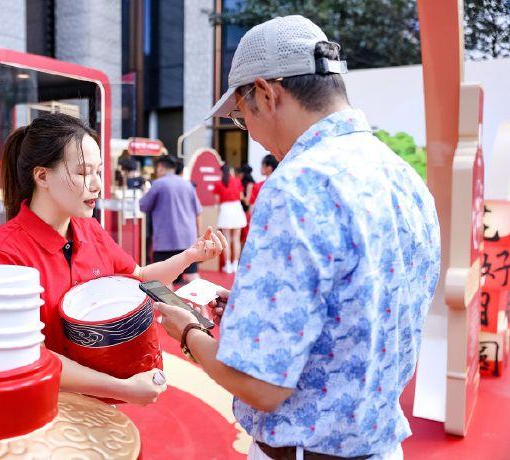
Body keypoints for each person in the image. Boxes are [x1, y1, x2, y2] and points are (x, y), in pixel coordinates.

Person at [155, 15, 440, 460]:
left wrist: (188, 331)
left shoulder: (296, 186)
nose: (248, 130)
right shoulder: (405, 178)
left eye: (239, 115)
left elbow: (260, 386)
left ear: (266, 93)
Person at [0, 114, 227, 406]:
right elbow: (30, 354)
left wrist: (190, 256)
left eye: (98, 172)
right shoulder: (4, 254)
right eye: (84, 173)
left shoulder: (89, 229)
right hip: (39, 409)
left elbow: (138, 278)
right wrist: (121, 388)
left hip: (98, 406)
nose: (97, 185)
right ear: (42, 176)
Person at [139, 155, 203, 286]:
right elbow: (198, 212)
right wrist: (198, 235)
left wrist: (146, 192)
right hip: (187, 239)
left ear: (161, 167)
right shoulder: (188, 185)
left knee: (166, 280)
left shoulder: (158, 184)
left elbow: (143, 206)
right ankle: (204, 305)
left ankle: (171, 307)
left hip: (165, 240)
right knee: (192, 276)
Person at [213, 163, 247, 273]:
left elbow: (217, 201)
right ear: (230, 171)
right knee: (236, 239)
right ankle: (235, 265)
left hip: (225, 209)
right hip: (236, 208)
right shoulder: (237, 181)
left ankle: (227, 265)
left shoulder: (218, 183)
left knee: (226, 239)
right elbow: (241, 197)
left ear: (221, 171)